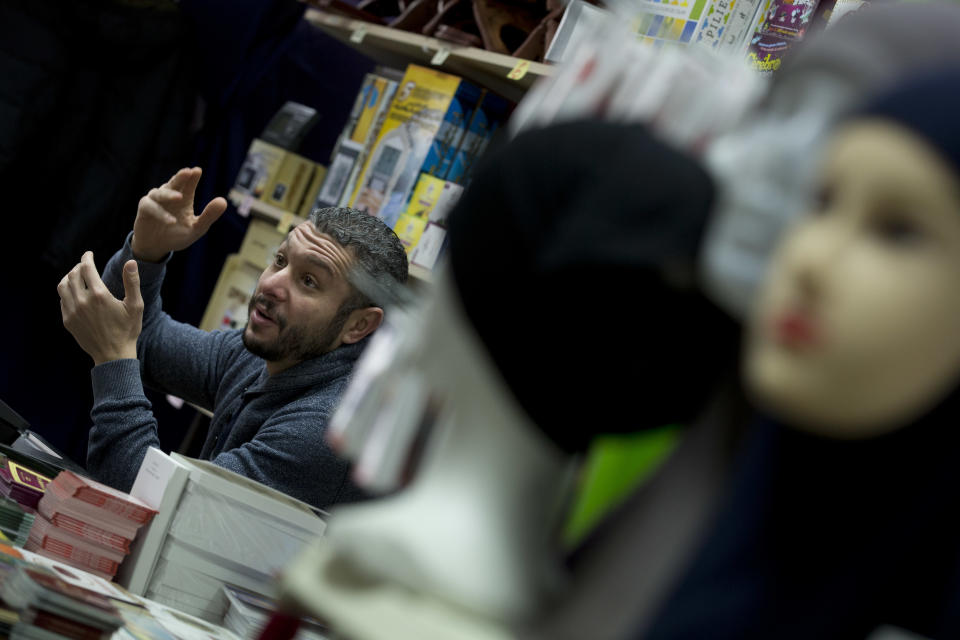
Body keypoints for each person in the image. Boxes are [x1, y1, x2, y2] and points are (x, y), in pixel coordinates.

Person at [56, 166, 409, 509]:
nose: (271, 284)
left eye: (309, 281)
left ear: (359, 326)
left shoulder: (326, 429)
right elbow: (146, 342)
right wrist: (146, 253)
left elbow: (155, 512)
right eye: (280, 260)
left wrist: (114, 361)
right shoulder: (272, 351)